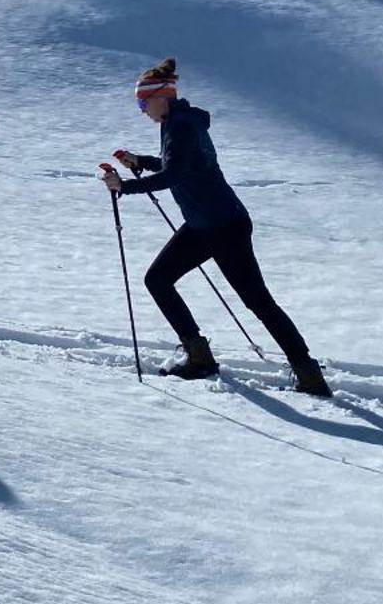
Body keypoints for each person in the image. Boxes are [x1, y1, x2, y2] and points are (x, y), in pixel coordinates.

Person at [102, 57, 331, 397]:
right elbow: (177, 166)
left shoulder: (179, 125)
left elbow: (173, 175)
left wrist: (125, 186)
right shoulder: (178, 121)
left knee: (257, 300)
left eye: (142, 102)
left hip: (224, 227)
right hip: (205, 225)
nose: (141, 110)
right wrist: (140, 162)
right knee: (158, 279)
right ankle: (199, 357)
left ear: (160, 97)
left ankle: (308, 374)